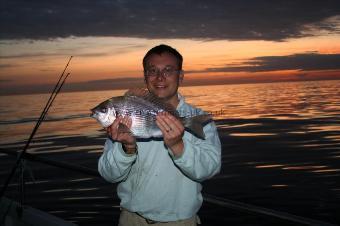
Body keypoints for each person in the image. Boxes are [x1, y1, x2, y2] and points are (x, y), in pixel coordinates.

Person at [98, 44, 221, 226]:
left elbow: (210, 169)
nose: (160, 77)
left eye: (168, 70)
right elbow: (108, 174)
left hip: (179, 222)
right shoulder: (124, 117)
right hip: (131, 220)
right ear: (145, 76)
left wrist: (178, 146)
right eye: (152, 70)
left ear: (181, 76)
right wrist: (127, 148)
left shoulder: (198, 119)